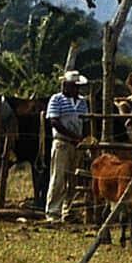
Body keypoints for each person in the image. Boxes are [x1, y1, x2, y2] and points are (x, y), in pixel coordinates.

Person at [44, 70, 90, 221]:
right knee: (58, 177)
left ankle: (67, 210)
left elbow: (85, 123)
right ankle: (52, 211)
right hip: (62, 143)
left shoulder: (83, 102)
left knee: (73, 179)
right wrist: (74, 136)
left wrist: (83, 139)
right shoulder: (56, 99)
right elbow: (54, 122)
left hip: (77, 145)